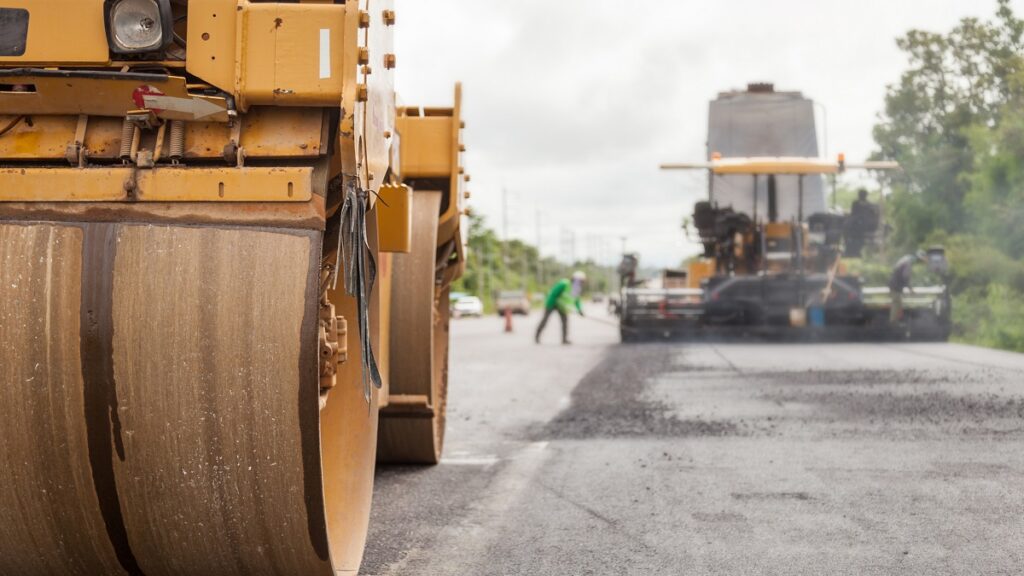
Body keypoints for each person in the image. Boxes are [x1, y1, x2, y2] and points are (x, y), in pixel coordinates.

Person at [535, 271, 586, 344]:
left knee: (565, 322)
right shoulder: (564, 283)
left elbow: (576, 301)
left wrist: (580, 310)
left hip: (562, 307)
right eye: (580, 281)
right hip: (552, 304)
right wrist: (551, 305)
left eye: (582, 281)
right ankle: (537, 337)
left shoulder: (576, 289)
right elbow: (553, 294)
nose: (581, 283)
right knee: (545, 320)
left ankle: (564, 339)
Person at [889, 250, 926, 324]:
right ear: (918, 258)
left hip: (895, 284)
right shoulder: (908, 262)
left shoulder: (907, 258)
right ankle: (893, 323)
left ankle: (896, 321)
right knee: (897, 303)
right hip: (895, 285)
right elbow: (905, 277)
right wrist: (911, 289)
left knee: (898, 303)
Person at [846, 188, 880, 257]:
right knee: (847, 225)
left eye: (862, 195)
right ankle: (850, 247)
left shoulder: (869, 205)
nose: (861, 196)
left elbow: (874, 215)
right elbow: (853, 213)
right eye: (861, 195)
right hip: (857, 223)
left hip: (863, 224)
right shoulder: (856, 203)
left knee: (850, 226)